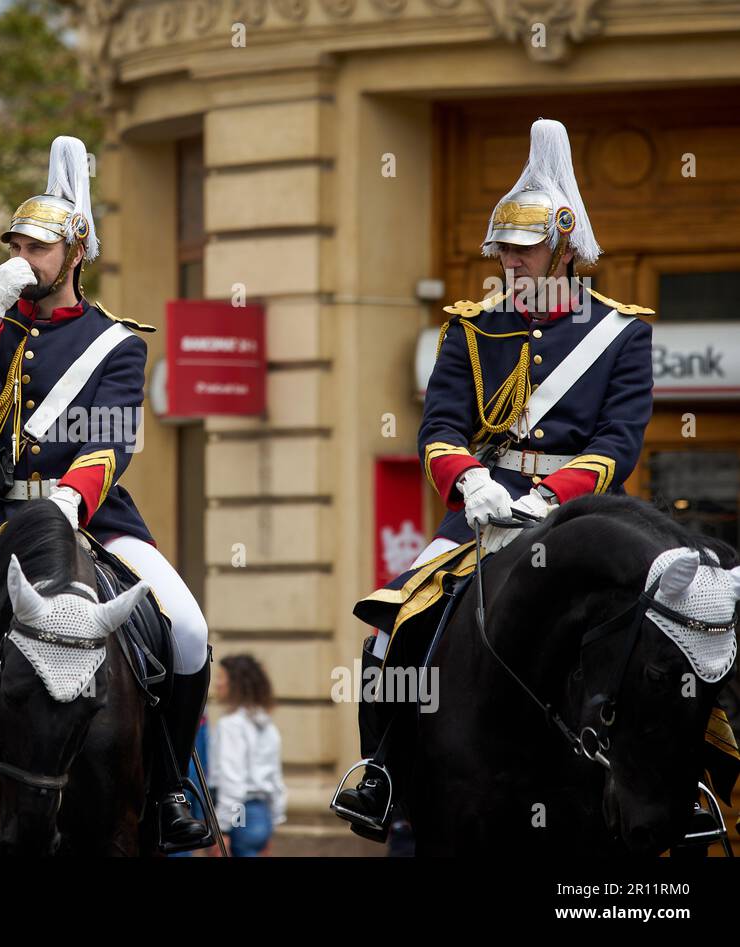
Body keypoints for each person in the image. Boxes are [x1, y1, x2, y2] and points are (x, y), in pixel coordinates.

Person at [0, 135, 211, 852]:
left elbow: (114, 439)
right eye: (16, 246)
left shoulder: (116, 342)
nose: (22, 259)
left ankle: (169, 788)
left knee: (187, 629)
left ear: (75, 253)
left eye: (37, 248)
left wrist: (72, 496)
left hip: (91, 519)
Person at [335, 119, 655, 840]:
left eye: (524, 249)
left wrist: (550, 495)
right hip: (482, 512)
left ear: (564, 247)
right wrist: (473, 482)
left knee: (669, 630)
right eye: (502, 252)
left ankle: (679, 782)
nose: (510, 263)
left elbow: (618, 441)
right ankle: (381, 773)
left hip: (590, 514)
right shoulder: (470, 328)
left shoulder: (622, 332)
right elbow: (439, 429)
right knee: (393, 628)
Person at [209, 655, 287, 857]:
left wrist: (224, 828)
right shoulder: (267, 725)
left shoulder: (231, 725)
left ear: (236, 683)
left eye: (220, 677)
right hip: (262, 815)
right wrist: (271, 824)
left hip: (241, 814)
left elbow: (233, 782)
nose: (216, 683)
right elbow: (276, 780)